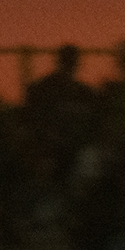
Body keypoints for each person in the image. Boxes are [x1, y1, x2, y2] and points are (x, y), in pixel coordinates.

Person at [21, 44, 98, 172]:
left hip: (75, 147)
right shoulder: (43, 89)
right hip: (49, 147)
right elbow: (30, 122)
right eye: (69, 60)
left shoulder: (84, 92)